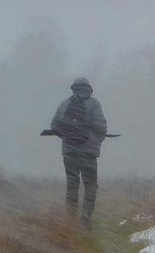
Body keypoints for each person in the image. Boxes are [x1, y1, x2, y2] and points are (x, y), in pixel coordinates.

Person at [44, 76, 109, 227]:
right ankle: (85, 218)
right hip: (89, 153)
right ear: (89, 89)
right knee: (90, 185)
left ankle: (71, 220)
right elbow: (101, 126)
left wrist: (68, 139)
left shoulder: (65, 104)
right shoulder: (94, 104)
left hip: (69, 152)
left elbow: (55, 125)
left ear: (73, 88)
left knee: (72, 185)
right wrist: (95, 143)